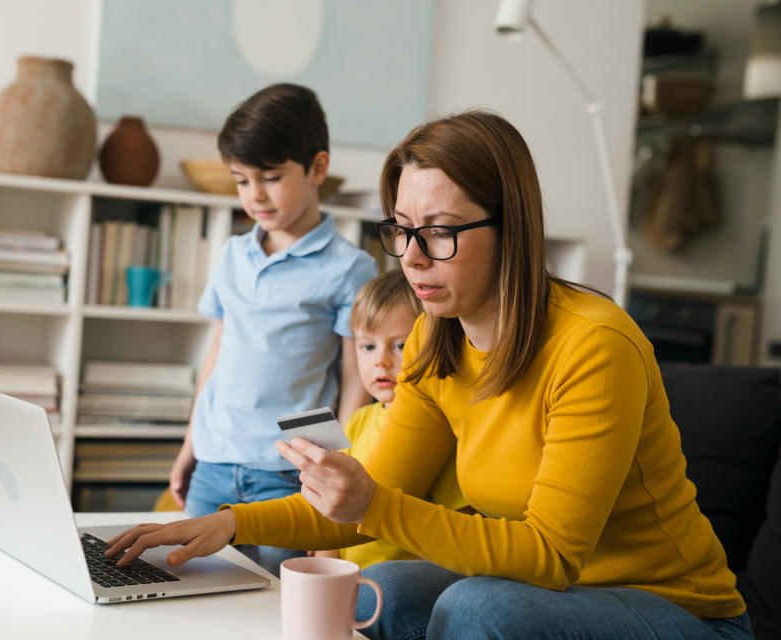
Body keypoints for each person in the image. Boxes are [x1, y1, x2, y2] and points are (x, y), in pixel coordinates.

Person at [107, 110, 752, 640]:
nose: (412, 259)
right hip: (546, 594)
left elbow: (554, 556)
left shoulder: (593, 346)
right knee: (378, 590)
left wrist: (375, 504)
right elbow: (363, 501)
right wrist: (230, 524)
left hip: (675, 609)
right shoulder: (432, 341)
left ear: (512, 228)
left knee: (477, 610)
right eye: (402, 231)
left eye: (440, 233)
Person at [167, 83, 377, 575]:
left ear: (317, 169)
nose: (254, 195)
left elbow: (354, 382)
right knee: (186, 589)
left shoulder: (351, 268)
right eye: (241, 180)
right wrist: (188, 449)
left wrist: (330, 476)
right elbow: (216, 358)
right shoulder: (231, 255)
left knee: (278, 606)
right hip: (214, 464)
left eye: (270, 177)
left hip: (288, 476)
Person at [312, 268, 469, 569]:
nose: (381, 361)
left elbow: (447, 524)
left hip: (405, 580)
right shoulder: (358, 421)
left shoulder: (443, 430)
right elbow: (335, 509)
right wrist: (324, 565)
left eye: (399, 346)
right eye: (368, 346)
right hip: (348, 573)